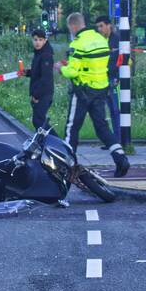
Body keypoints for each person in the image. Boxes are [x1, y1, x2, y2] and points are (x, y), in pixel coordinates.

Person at [58, 12, 130, 177]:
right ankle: (121, 158)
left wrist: (60, 68)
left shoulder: (78, 43)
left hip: (82, 91)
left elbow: (72, 71)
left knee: (72, 129)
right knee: (102, 127)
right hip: (101, 89)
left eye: (70, 27)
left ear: (73, 26)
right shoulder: (101, 39)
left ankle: (67, 166)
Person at [94, 15, 121, 142]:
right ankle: (111, 139)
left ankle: (119, 139)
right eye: (98, 27)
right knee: (105, 111)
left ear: (109, 25)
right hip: (102, 79)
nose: (99, 29)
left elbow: (124, 59)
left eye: (101, 26)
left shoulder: (117, 40)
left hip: (115, 79)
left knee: (116, 110)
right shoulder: (99, 41)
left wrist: (119, 77)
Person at [25, 28, 57, 134]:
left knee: (39, 121)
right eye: (35, 40)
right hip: (40, 92)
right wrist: (27, 72)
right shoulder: (39, 53)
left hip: (44, 93)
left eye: (40, 40)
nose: (37, 42)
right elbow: (37, 72)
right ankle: (42, 144)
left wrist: (36, 95)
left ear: (45, 40)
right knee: (38, 121)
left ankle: (57, 144)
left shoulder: (46, 55)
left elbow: (45, 77)